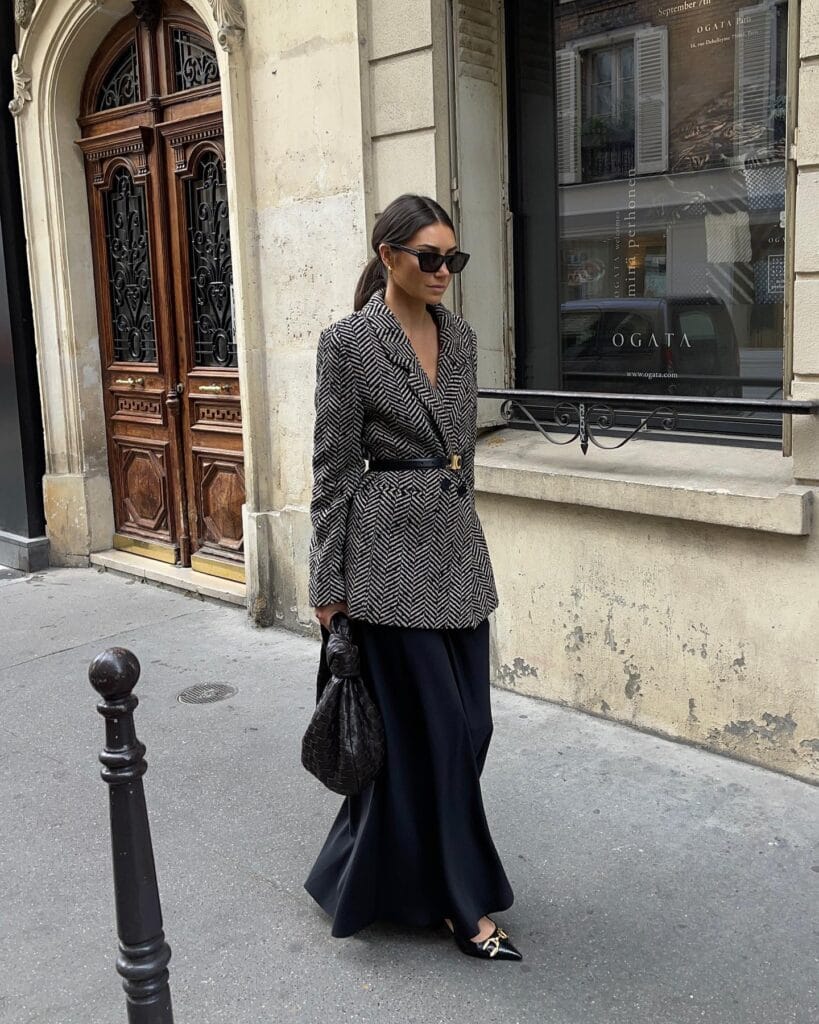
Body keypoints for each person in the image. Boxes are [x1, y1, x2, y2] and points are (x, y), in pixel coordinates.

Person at [303, 193, 522, 961]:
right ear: (388, 255)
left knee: (470, 729)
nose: (443, 271)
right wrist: (327, 587)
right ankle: (463, 907)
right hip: (385, 567)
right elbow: (333, 471)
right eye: (429, 257)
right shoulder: (348, 344)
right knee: (440, 736)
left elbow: (464, 450)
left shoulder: (459, 338)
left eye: (452, 258)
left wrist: (463, 525)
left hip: (457, 557)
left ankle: (383, 873)